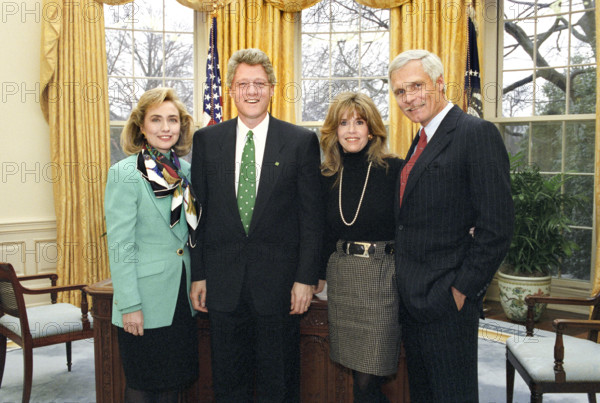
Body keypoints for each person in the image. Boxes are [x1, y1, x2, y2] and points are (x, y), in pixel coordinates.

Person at [189, 48, 324, 402]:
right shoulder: (206, 142)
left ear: (272, 89)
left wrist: (306, 278)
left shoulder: (300, 142)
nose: (252, 91)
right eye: (243, 84)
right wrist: (199, 274)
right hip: (222, 286)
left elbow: (312, 219)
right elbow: (196, 216)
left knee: (277, 384)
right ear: (230, 90)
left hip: (280, 289)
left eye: (259, 84)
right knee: (228, 384)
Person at [388, 49, 514, 403]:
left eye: (417, 86)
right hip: (413, 301)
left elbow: (497, 226)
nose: (409, 98)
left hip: (446, 301)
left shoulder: (475, 133)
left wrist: (461, 290)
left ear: (440, 84)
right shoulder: (421, 139)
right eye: (400, 91)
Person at [105, 87, 201, 402]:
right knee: (143, 384)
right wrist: (130, 305)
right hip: (143, 302)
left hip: (180, 299)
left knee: (174, 383)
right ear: (142, 127)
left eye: (172, 120)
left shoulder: (186, 173)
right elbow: (120, 247)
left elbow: (190, 235)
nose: (165, 127)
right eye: (156, 120)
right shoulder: (124, 174)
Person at [316, 92, 402, 402]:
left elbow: (409, 227)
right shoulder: (326, 174)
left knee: (371, 374)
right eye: (344, 123)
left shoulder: (395, 169)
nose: (351, 130)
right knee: (356, 370)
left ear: (372, 129)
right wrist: (316, 274)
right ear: (334, 130)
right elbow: (323, 231)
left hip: (382, 276)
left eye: (359, 122)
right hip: (342, 274)